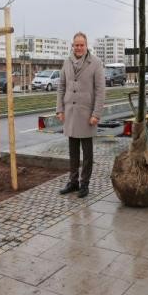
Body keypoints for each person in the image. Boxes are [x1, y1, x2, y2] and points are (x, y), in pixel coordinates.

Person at [56, 32, 105, 198]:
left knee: (87, 153)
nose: (78, 48)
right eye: (76, 45)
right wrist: (60, 109)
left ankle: (85, 184)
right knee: (73, 151)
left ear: (86, 45)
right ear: (73, 46)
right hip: (70, 112)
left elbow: (100, 91)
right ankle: (73, 182)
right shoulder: (67, 62)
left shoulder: (96, 63)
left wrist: (96, 114)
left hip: (87, 114)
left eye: (81, 45)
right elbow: (61, 87)